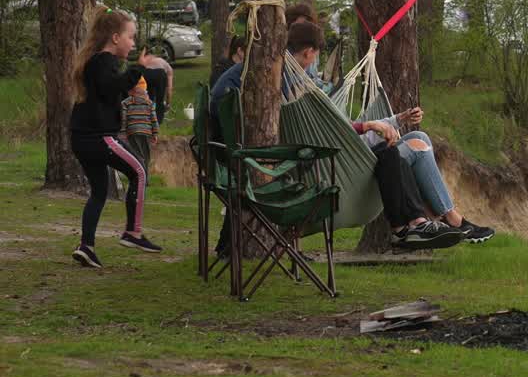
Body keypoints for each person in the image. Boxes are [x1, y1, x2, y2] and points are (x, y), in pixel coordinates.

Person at [211, 21, 463, 250]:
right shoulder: (281, 76)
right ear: (309, 52)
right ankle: (429, 221)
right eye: (314, 57)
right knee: (408, 147)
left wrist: (390, 121)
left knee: (404, 146)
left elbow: (330, 128)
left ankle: (428, 221)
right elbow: (329, 132)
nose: (311, 64)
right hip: (268, 163)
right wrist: (370, 126)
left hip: (229, 158)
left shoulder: (258, 71)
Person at [69, 6, 163, 269]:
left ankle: (86, 247)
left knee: (99, 192)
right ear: (114, 38)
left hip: (82, 138)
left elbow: (109, 93)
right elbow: (113, 85)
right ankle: (133, 233)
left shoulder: (97, 62)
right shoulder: (103, 61)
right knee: (140, 172)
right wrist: (138, 69)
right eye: (131, 37)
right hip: (97, 137)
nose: (133, 43)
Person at [379, 108, 495, 244]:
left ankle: (444, 216)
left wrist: (399, 119)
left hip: (373, 151)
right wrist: (369, 126)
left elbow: (364, 132)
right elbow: (356, 131)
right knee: (417, 149)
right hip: (369, 161)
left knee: (421, 137)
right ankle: (447, 219)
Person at [122, 75, 159, 173]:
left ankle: (139, 176)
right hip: (146, 132)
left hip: (132, 132)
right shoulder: (149, 103)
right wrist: (155, 133)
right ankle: (145, 177)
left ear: (131, 90)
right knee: (146, 156)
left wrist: (123, 133)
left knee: (137, 155)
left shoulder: (125, 103)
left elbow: (123, 119)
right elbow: (154, 119)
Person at [140, 54, 173, 124]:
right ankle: (158, 121)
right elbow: (169, 88)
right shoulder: (168, 68)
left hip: (147, 73)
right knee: (160, 99)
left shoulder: (151, 60)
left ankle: (147, 118)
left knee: (148, 98)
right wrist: (168, 103)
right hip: (160, 74)